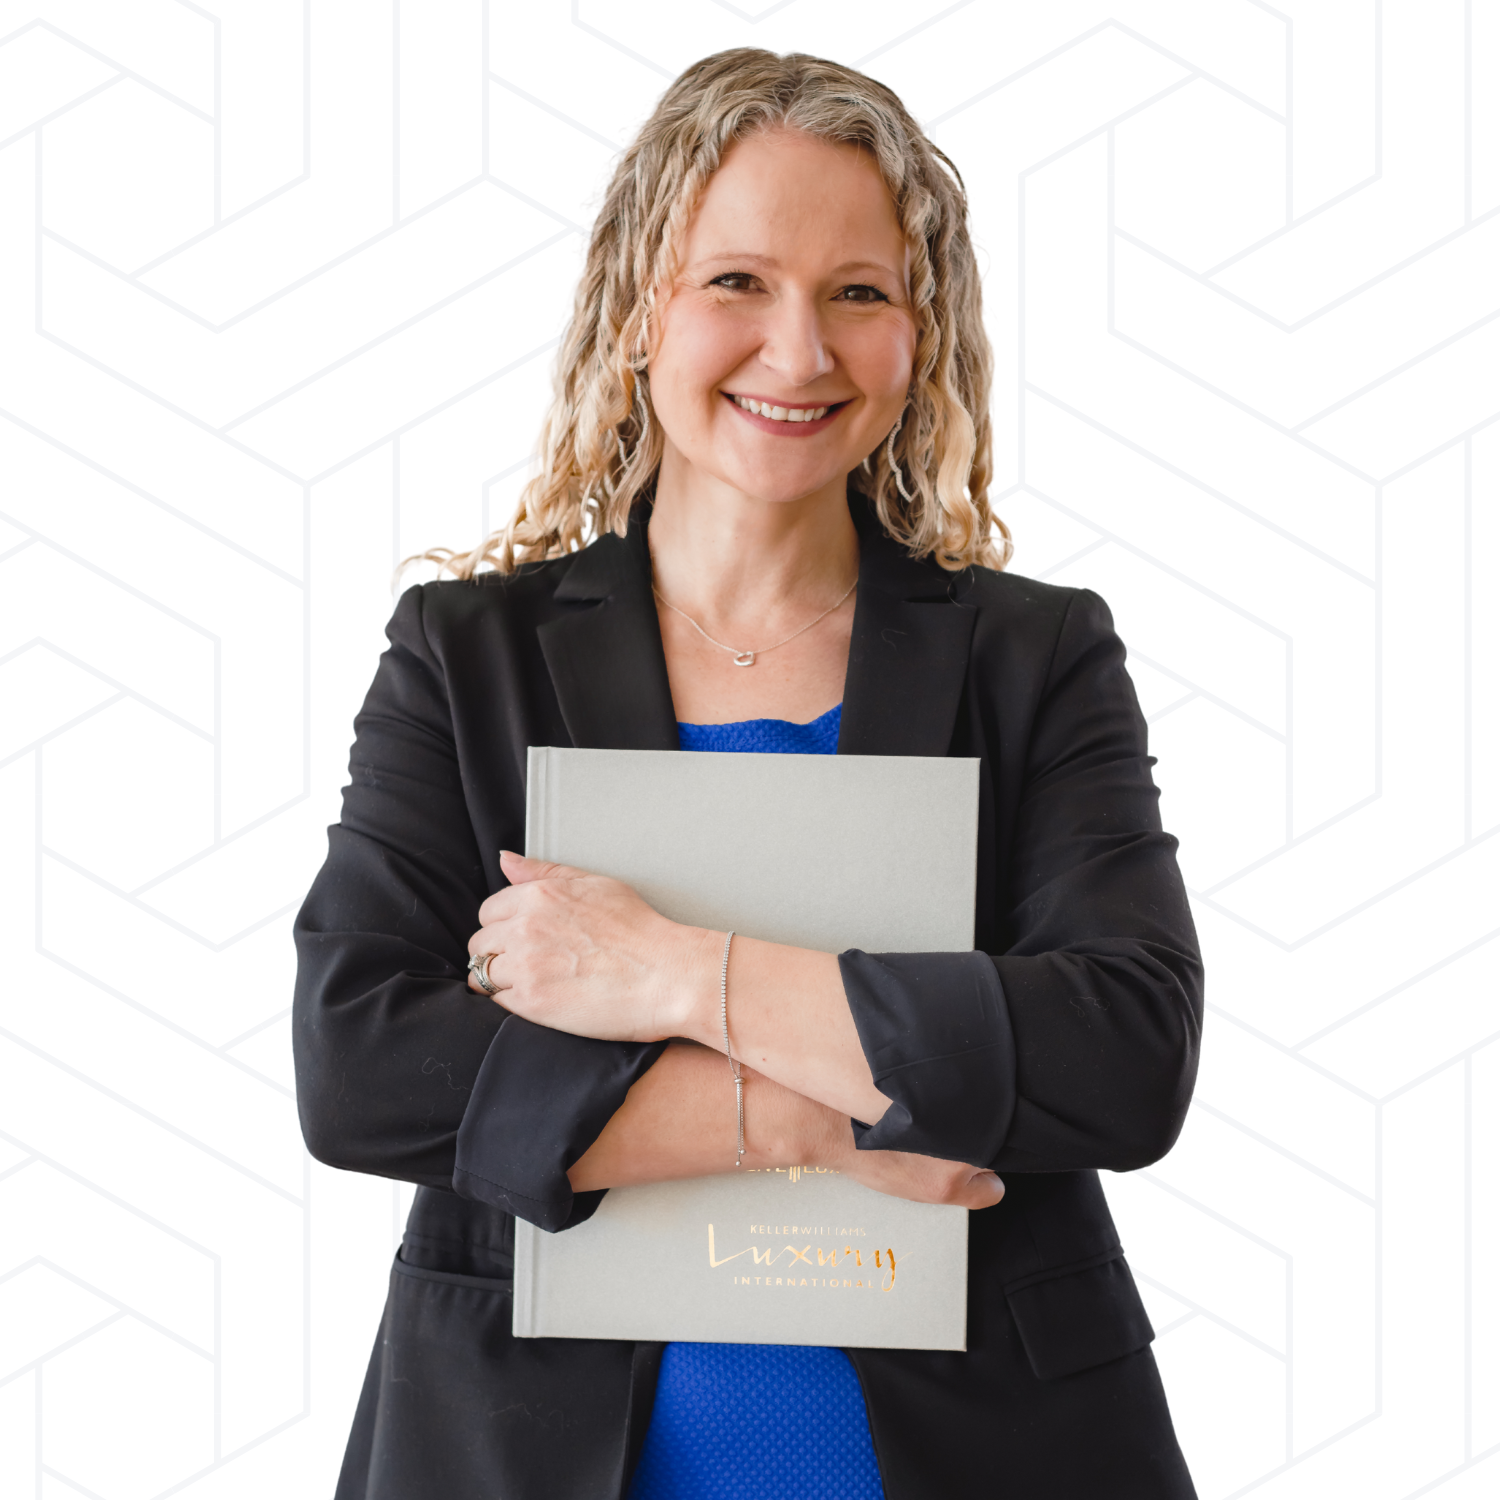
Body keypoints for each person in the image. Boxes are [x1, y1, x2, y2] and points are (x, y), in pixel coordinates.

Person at [294, 48, 1202, 1500]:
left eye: (860, 291)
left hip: (994, 1455)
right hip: (519, 1454)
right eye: (737, 283)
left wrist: (670, 972)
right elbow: (364, 1070)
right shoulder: (467, 656)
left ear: (923, 334)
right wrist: (815, 1118)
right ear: (638, 309)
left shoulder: (1037, 660)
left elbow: (1125, 1054)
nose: (799, 352)